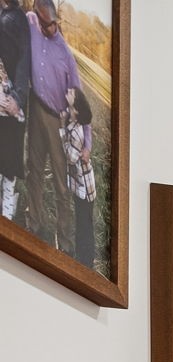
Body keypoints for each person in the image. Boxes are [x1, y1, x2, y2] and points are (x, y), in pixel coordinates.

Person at [21, 0, 81, 253]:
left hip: (58, 120)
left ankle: (64, 243)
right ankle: (34, 223)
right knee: (33, 170)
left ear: (55, 22)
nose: (43, 26)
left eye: (48, 23)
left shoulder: (65, 55)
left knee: (61, 183)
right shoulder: (31, 22)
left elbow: (78, 99)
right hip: (36, 107)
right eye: (39, 19)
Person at [0, 0, 25, 223]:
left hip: (10, 112)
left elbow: (21, 64)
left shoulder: (14, 20)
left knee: (8, 172)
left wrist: (15, 103)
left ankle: (7, 218)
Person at [57, 77, 85, 267]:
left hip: (80, 185)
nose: (67, 94)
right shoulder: (72, 121)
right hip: (74, 181)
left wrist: (60, 127)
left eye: (70, 94)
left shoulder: (76, 131)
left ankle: (75, 252)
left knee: (81, 218)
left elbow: (71, 157)